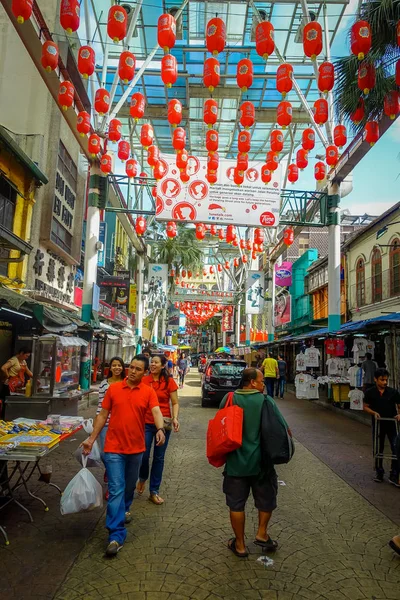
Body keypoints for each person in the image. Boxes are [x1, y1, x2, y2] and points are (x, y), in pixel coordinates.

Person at [81, 355, 166, 557]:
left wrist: (160, 428)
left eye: (138, 369)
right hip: (113, 447)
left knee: (128, 487)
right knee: (116, 488)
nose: (133, 371)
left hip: (135, 448)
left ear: (145, 372)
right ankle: (116, 534)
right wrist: (92, 438)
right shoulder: (113, 389)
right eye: (132, 367)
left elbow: (156, 411)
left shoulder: (148, 391)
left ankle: (124, 509)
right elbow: (102, 415)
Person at [220, 368, 284, 557]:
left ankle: (239, 545)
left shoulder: (229, 399)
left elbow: (220, 425)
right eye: (262, 381)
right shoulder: (266, 401)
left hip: (235, 464)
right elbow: (282, 430)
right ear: (252, 383)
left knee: (236, 505)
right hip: (261, 465)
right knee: (266, 500)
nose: (264, 384)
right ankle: (262, 533)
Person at [137, 355, 180, 504]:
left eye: (155, 362)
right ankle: (142, 477)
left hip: (164, 423)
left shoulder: (169, 382)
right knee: (143, 455)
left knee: (159, 458)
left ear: (163, 365)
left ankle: (154, 491)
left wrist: (175, 417)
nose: (152, 364)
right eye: (151, 362)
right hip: (146, 422)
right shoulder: (143, 380)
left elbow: (175, 402)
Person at [363, 368, 400, 487]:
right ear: (375, 379)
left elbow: (399, 405)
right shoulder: (370, 392)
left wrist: (399, 414)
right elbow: (365, 406)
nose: (384, 382)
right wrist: (373, 413)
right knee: (378, 448)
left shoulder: (393, 392)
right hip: (378, 424)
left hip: (392, 424)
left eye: (386, 380)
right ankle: (379, 471)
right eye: (382, 380)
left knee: (396, 448)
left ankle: (394, 474)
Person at [96, 357, 125, 500]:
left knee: (118, 455)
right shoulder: (103, 384)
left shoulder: (126, 383)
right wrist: (96, 426)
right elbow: (100, 408)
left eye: (119, 365)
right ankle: (109, 473)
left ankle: (112, 487)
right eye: (114, 365)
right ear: (110, 368)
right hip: (106, 424)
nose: (117, 368)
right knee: (104, 454)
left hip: (121, 424)